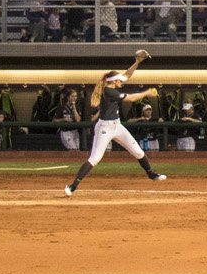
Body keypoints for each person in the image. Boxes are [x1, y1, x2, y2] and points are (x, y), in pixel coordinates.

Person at [65, 50, 164, 197]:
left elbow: (127, 75)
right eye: (118, 80)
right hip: (104, 128)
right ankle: (73, 186)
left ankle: (151, 174)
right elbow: (130, 98)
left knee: (137, 151)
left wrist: (137, 62)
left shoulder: (112, 86)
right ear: (113, 81)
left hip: (117, 125)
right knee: (95, 158)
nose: (121, 81)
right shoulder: (109, 92)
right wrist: (147, 93)